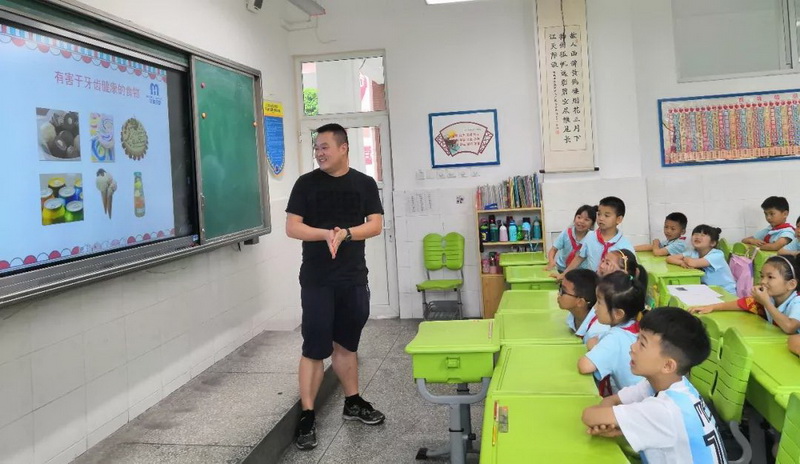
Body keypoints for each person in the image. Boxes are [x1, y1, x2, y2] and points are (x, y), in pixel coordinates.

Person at [285, 123, 386, 450]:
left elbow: (375, 224)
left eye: (325, 146)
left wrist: (347, 234)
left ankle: (352, 401)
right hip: (317, 280)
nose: (319, 152)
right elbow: (292, 227)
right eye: (316, 147)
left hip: (352, 278)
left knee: (346, 345)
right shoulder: (305, 184)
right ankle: (308, 415)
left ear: (344, 148)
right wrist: (327, 234)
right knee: (314, 347)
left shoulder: (364, 183)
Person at [582, 308, 728, 464]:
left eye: (642, 344)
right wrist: (614, 425)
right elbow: (612, 400)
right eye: (637, 338)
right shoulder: (673, 386)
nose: (633, 347)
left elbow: (589, 416)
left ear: (668, 366)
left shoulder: (665, 410)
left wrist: (611, 422)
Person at [690, 255, 800, 334]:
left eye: (770, 277)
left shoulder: (797, 302)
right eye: (762, 276)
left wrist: (766, 303)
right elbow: (741, 304)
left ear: (791, 284)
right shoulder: (771, 298)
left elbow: (790, 327)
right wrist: (712, 307)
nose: (763, 281)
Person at [578, 271, 646, 396]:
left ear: (618, 314)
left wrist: (597, 346)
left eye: (599, 302)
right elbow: (593, 341)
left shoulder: (615, 338)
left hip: (635, 402)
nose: (595, 308)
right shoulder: (634, 326)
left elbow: (585, 366)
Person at [559, 196, 635, 275]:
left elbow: (630, 271)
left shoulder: (625, 245)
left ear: (619, 219)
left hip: (612, 282)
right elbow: (580, 257)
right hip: (591, 280)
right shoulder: (590, 236)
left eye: (606, 215)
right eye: (599, 214)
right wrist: (564, 274)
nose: (601, 218)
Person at [667, 225, 736, 295]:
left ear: (712, 243)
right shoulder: (694, 252)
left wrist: (685, 258)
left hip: (726, 292)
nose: (697, 237)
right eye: (696, 234)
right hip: (709, 291)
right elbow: (670, 258)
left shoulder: (717, 255)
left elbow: (692, 263)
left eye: (703, 235)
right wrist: (682, 263)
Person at [546, 205, 596, 272]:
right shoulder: (566, 233)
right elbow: (553, 250)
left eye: (586, 220)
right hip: (561, 269)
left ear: (592, 224)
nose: (581, 221)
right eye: (579, 217)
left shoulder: (591, 237)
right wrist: (551, 261)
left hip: (580, 272)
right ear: (574, 219)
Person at [558, 269, 601, 341]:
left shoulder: (595, 333)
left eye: (563, 291)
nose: (559, 294)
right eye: (560, 288)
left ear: (580, 302)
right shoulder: (572, 316)